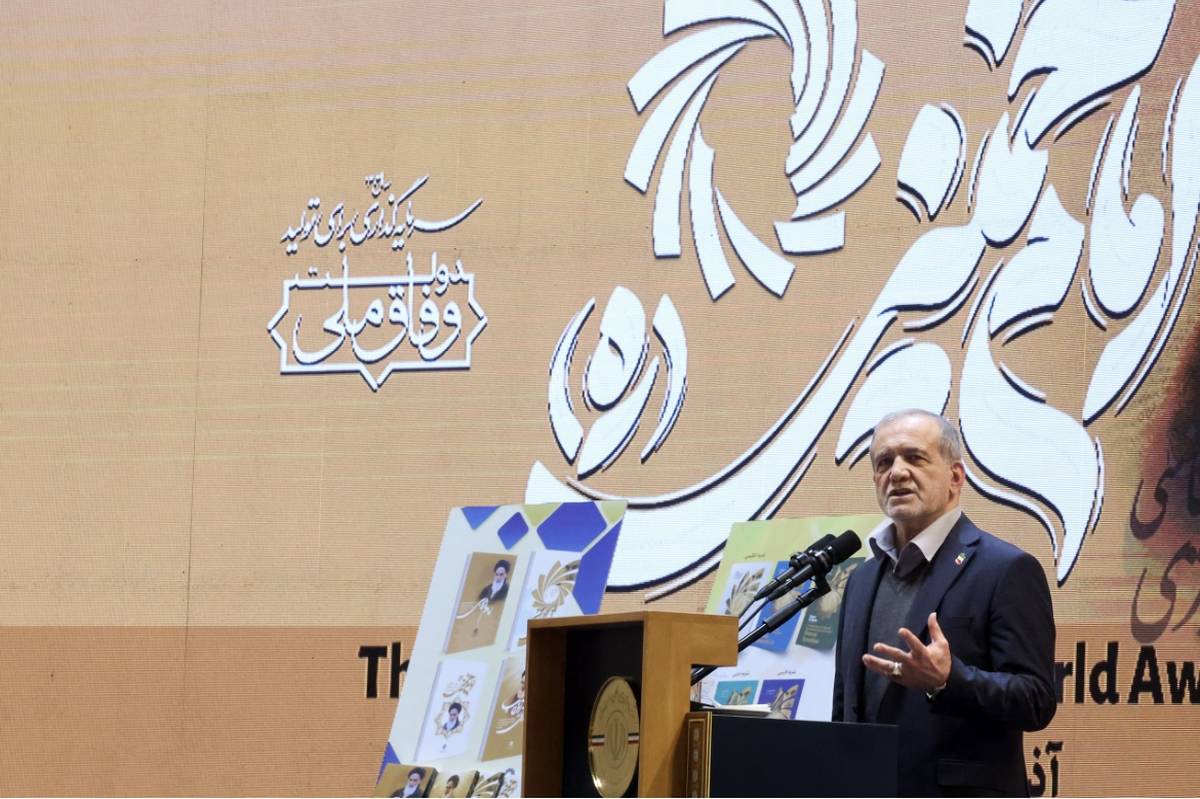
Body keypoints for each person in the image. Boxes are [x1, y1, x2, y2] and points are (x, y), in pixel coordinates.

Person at [832, 409, 1056, 796]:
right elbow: (846, 705)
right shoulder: (860, 580)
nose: (896, 473)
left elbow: (1035, 699)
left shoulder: (1005, 569)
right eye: (884, 462)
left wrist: (948, 680)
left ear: (955, 477)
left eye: (914, 457)